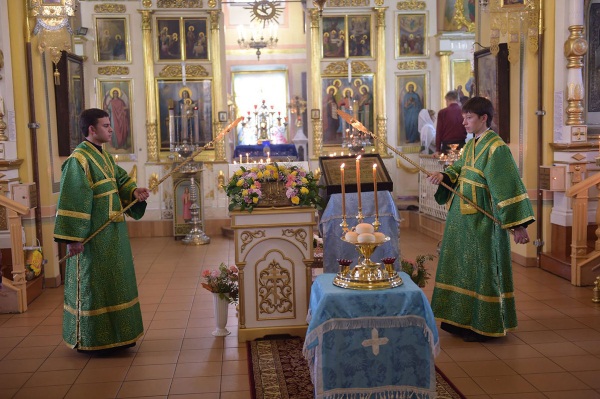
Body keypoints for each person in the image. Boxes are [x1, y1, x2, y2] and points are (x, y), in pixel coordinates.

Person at [427, 97, 534, 342]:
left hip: (483, 218)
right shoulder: (471, 145)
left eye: (469, 118)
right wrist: (443, 175)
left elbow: (507, 187)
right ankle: (460, 320)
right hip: (461, 219)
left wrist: (518, 225)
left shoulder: (497, 148)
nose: (463, 122)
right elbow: (459, 170)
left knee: (482, 267)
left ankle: (483, 322)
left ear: (484, 118)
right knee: (461, 267)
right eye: (463, 117)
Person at [54, 108, 150, 353]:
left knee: (116, 281)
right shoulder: (78, 160)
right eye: (106, 126)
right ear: (92, 130)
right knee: (95, 284)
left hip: (114, 234)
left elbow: (119, 180)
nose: (111, 129)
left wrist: (134, 191)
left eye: (110, 125)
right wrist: (73, 239)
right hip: (92, 238)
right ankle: (94, 339)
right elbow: (72, 199)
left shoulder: (104, 156)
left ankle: (121, 335)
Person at [435, 90, 467, 154]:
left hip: (447, 147)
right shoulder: (464, 111)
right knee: (462, 164)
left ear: (447, 100)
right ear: (458, 99)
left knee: (448, 164)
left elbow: (439, 132)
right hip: (461, 145)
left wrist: (437, 150)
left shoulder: (442, 112)